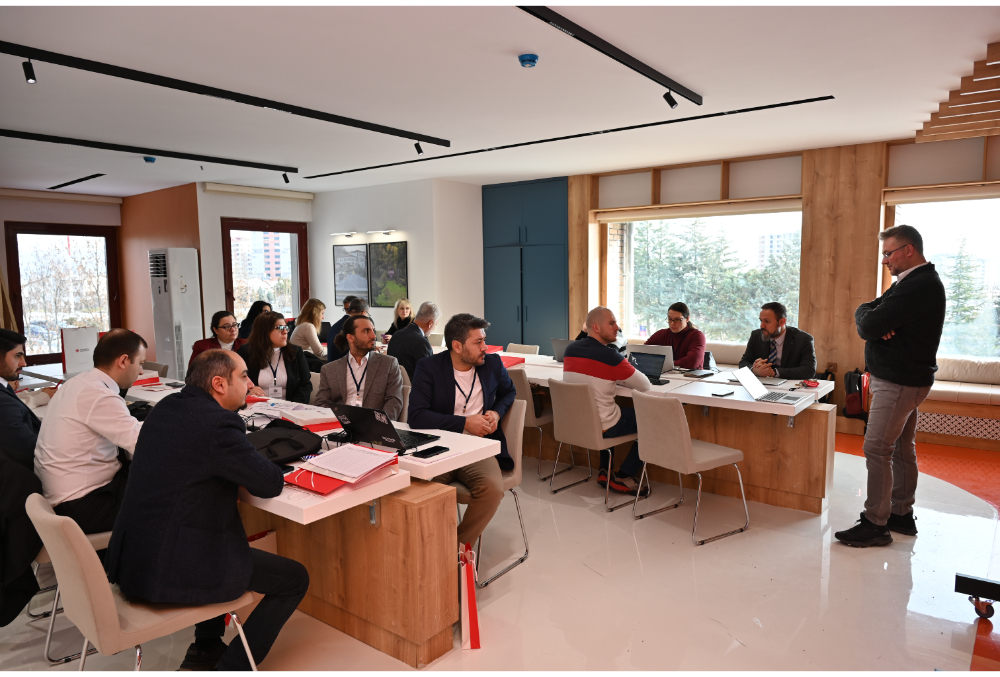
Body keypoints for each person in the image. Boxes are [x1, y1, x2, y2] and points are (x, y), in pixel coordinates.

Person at [104, 350, 309, 671]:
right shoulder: (218, 425)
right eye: (243, 376)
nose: (250, 383)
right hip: (171, 567)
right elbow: (269, 483)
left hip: (134, 558)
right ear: (219, 384)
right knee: (295, 578)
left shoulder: (166, 407)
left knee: (215, 535)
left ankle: (206, 647)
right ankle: (231, 668)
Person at [835, 224, 946, 548]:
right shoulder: (910, 282)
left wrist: (873, 321)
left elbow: (868, 324)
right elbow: (867, 311)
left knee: (877, 449)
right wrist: (872, 318)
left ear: (908, 250)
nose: (885, 260)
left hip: (899, 383)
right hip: (905, 381)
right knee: (900, 448)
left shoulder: (919, 285)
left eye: (888, 253)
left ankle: (875, 523)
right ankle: (900, 514)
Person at [408, 313, 516, 547]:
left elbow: (509, 392)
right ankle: (423, 549)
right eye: (478, 342)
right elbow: (416, 416)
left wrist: (497, 412)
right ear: (457, 346)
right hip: (439, 445)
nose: (485, 347)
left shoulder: (492, 364)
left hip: (478, 447)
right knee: (415, 490)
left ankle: (456, 548)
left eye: (484, 340)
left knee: (492, 490)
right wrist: (464, 423)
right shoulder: (429, 367)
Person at [34, 329, 145, 534]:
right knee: (170, 494)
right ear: (123, 361)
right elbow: (146, 445)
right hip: (83, 505)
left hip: (60, 495)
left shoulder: (77, 383)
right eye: (141, 363)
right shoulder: (99, 395)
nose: (141, 372)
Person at [563, 307, 651, 495]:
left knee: (605, 409)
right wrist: (618, 375)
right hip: (604, 425)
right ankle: (624, 476)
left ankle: (605, 470)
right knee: (654, 420)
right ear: (596, 327)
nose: (617, 328)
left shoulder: (570, 350)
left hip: (577, 423)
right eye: (611, 323)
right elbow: (645, 385)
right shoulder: (611, 356)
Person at [314, 315, 404, 419]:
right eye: (366, 331)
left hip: (373, 423)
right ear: (350, 337)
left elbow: (394, 401)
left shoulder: (388, 364)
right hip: (340, 423)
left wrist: (379, 423)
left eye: (373, 330)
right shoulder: (330, 369)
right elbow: (321, 403)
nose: (374, 336)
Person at [0, 329, 54, 470]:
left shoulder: (4, 385)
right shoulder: (3, 402)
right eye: (17, 356)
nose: (23, 363)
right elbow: (27, 446)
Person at [237, 312, 312, 404]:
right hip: (256, 406)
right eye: (280, 328)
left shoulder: (295, 352)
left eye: (286, 327)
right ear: (264, 331)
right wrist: (248, 390)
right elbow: (234, 381)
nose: (285, 332)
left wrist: (293, 406)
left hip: (289, 407)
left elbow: (306, 384)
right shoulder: (246, 352)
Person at [738, 302, 817, 380]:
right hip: (763, 382)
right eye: (761, 321)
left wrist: (774, 373)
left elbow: (809, 370)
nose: (762, 326)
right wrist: (754, 370)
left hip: (789, 384)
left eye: (767, 321)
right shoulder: (756, 335)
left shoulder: (803, 339)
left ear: (782, 322)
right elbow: (744, 362)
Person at [644, 302, 708, 370]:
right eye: (670, 319)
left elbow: (692, 362)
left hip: (690, 375)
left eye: (677, 320)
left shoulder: (697, 336)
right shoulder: (661, 334)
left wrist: (663, 364)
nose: (672, 323)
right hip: (666, 374)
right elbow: (642, 352)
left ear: (687, 319)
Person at [386, 301, 440, 381]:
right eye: (435, 324)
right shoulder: (422, 343)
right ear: (430, 323)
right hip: (415, 387)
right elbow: (428, 376)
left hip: (394, 385)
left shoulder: (396, 335)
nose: (434, 328)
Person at [327, 298, 370, 363]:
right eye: (368, 315)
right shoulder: (354, 327)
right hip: (345, 366)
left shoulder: (335, 325)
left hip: (331, 365)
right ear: (363, 313)